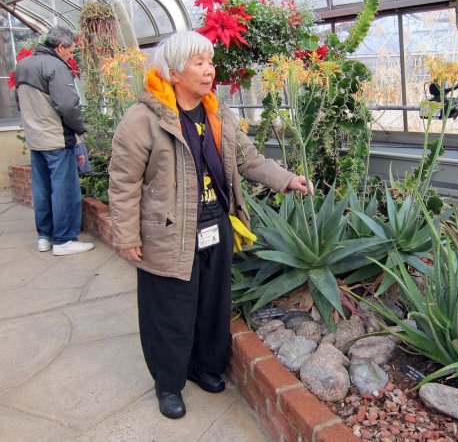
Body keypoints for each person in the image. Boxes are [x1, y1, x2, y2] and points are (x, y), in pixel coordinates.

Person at [108, 30, 313, 419]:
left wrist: (286, 179)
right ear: (172, 72)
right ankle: (169, 384)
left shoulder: (218, 114)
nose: (209, 71)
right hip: (167, 233)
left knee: (212, 304)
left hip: (216, 225)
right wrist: (126, 235)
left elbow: (248, 159)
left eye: (210, 62)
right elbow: (123, 181)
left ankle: (204, 367)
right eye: (199, 63)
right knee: (170, 311)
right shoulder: (143, 120)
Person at [15, 26, 94, 256]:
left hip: (35, 138)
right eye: (71, 51)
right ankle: (64, 240)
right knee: (65, 189)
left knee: (42, 188)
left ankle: (45, 237)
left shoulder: (23, 65)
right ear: (60, 47)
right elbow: (68, 106)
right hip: (56, 139)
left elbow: (20, 103)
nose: (71, 55)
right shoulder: (56, 66)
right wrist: (80, 128)